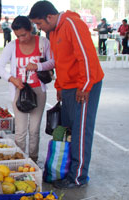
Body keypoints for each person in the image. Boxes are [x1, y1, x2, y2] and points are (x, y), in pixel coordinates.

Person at [29, 1, 104, 189]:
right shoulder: (53, 31)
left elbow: (86, 57)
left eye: (40, 24)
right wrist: (60, 86)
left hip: (85, 85)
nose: (39, 28)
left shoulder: (72, 24)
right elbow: (61, 61)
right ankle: (67, 171)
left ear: (50, 16)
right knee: (69, 130)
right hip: (69, 86)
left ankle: (78, 177)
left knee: (81, 131)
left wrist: (85, 86)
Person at [0, 16, 55, 163]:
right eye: (18, 36)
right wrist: (12, 79)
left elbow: (53, 61)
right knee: (20, 132)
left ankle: (33, 161)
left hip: (38, 92)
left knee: (34, 130)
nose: (21, 39)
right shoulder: (12, 46)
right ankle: (19, 161)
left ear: (31, 29)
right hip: (19, 92)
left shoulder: (43, 42)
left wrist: (38, 66)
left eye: (24, 35)